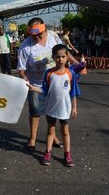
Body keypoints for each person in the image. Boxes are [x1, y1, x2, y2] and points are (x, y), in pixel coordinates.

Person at [17, 17, 78, 151]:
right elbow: (21, 69)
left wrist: (75, 62)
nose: (37, 36)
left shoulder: (53, 36)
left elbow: (64, 53)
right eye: (34, 34)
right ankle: (32, 139)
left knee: (53, 112)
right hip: (35, 83)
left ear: (45, 29)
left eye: (40, 33)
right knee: (35, 111)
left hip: (55, 83)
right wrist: (26, 81)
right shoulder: (25, 46)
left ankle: (53, 136)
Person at [27, 44, 80, 167]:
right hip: (51, 108)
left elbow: (73, 93)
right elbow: (45, 90)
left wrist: (74, 107)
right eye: (57, 57)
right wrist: (34, 88)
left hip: (65, 109)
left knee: (65, 131)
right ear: (53, 57)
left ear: (67, 57)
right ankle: (48, 153)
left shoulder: (70, 74)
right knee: (51, 130)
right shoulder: (49, 73)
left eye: (63, 57)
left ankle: (67, 154)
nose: (60, 60)